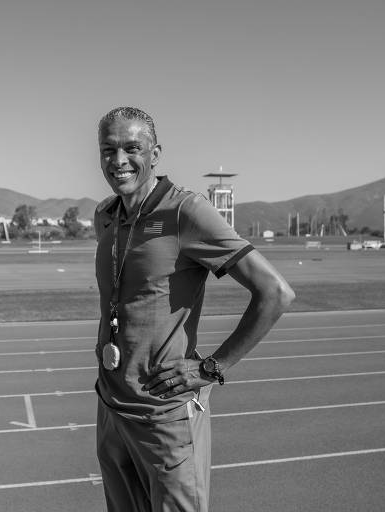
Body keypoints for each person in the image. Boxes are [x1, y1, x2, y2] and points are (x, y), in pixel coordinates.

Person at [93, 106, 295, 512]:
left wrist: (211, 367)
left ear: (156, 153)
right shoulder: (106, 215)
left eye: (132, 148)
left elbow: (275, 292)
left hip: (164, 416)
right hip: (112, 409)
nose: (119, 161)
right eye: (108, 149)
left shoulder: (186, 212)